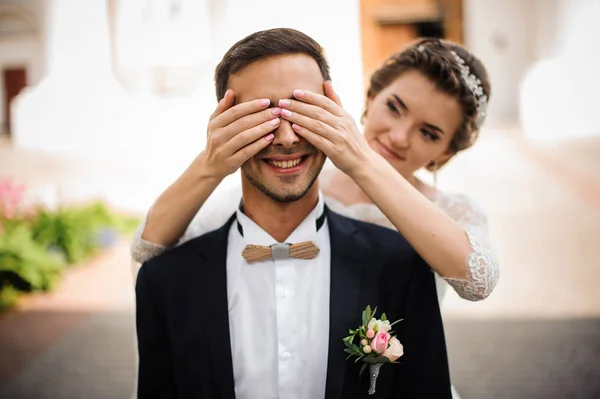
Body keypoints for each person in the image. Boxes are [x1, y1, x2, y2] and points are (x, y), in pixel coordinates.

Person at [135, 28, 452, 398]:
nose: (286, 137)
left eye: (302, 111)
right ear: (224, 124)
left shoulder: (401, 266)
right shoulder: (165, 281)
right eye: (263, 113)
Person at [131, 37, 499, 305]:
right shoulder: (292, 179)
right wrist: (211, 164)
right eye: (395, 107)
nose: (400, 137)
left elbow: (478, 283)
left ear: (445, 153)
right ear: (371, 98)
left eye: (428, 133)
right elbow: (146, 251)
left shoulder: (453, 212)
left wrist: (361, 161)